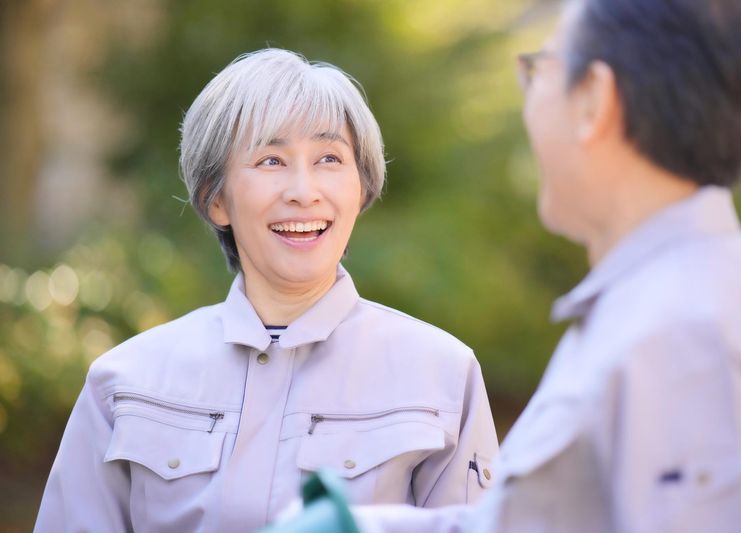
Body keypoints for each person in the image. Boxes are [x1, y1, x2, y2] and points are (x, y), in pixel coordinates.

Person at [345, 0, 741, 531]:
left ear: (594, 100)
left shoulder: (685, 336)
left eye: (539, 69)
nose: (529, 100)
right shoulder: (671, 298)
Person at [34, 49, 498, 532]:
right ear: (217, 200)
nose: (303, 190)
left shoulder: (442, 374)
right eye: (271, 159)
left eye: (329, 158)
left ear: (360, 190)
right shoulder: (124, 383)